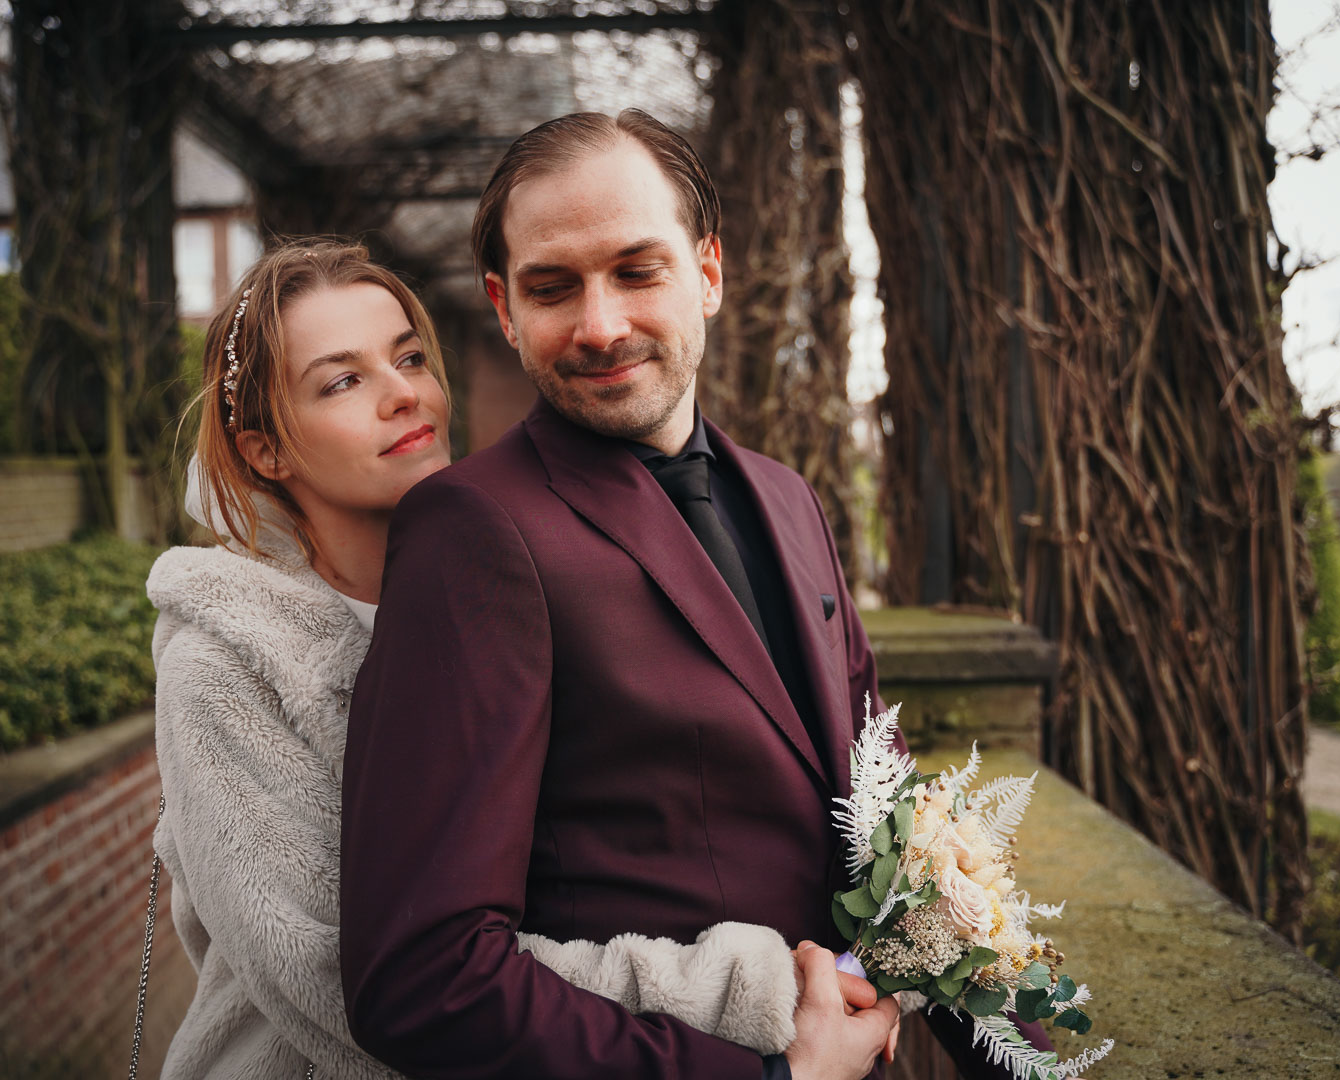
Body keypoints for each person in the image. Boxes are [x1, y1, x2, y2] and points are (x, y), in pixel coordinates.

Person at [147, 239, 840, 1080]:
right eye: (343, 381)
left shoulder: (494, 578)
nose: (404, 394)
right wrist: (738, 997)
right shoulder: (221, 668)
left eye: (409, 357)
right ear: (266, 451)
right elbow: (332, 981)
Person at [340, 110, 925, 1080]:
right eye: (552, 288)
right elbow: (419, 977)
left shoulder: (788, 499)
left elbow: (887, 800)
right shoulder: (470, 529)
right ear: (503, 308)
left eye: (637, 270)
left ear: (708, 273)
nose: (600, 326)